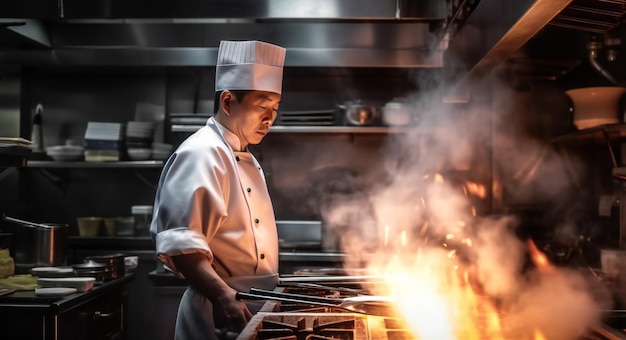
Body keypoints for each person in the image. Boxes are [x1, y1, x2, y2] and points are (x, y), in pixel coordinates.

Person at [150, 40, 286, 340]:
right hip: (218, 310)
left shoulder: (239, 153)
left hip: (247, 306)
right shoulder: (201, 153)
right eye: (262, 107)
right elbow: (182, 245)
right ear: (227, 102)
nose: (269, 119)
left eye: (275, 109)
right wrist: (223, 296)